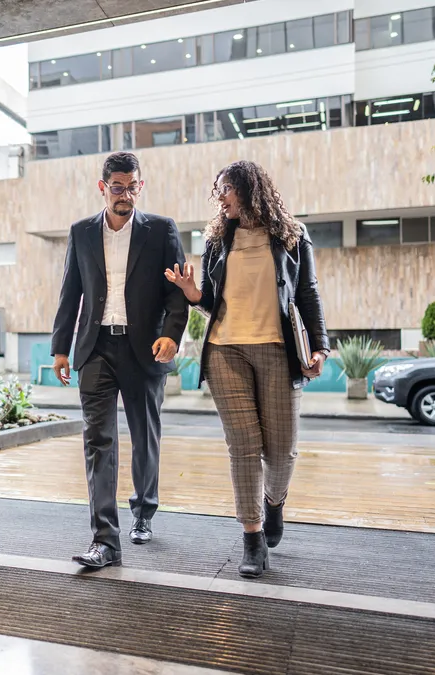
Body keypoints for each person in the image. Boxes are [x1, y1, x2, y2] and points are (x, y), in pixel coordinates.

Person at [165, 160, 329, 578]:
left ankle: (275, 503)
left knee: (282, 450)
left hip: (278, 350)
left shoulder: (292, 235)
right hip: (225, 351)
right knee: (243, 447)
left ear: (248, 189)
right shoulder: (218, 239)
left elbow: (307, 293)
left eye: (225, 190)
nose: (220, 198)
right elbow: (211, 300)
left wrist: (320, 347)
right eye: (218, 191)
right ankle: (252, 538)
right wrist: (191, 293)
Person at [51, 152, 188, 568]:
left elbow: (176, 292)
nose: (125, 194)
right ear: (103, 187)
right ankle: (105, 540)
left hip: (143, 347)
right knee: (98, 441)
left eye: (132, 187)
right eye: (117, 187)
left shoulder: (161, 230)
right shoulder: (81, 232)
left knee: (144, 435)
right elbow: (70, 291)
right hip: (95, 348)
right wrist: (61, 347)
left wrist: (171, 335)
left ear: (140, 187)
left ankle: (144, 511)